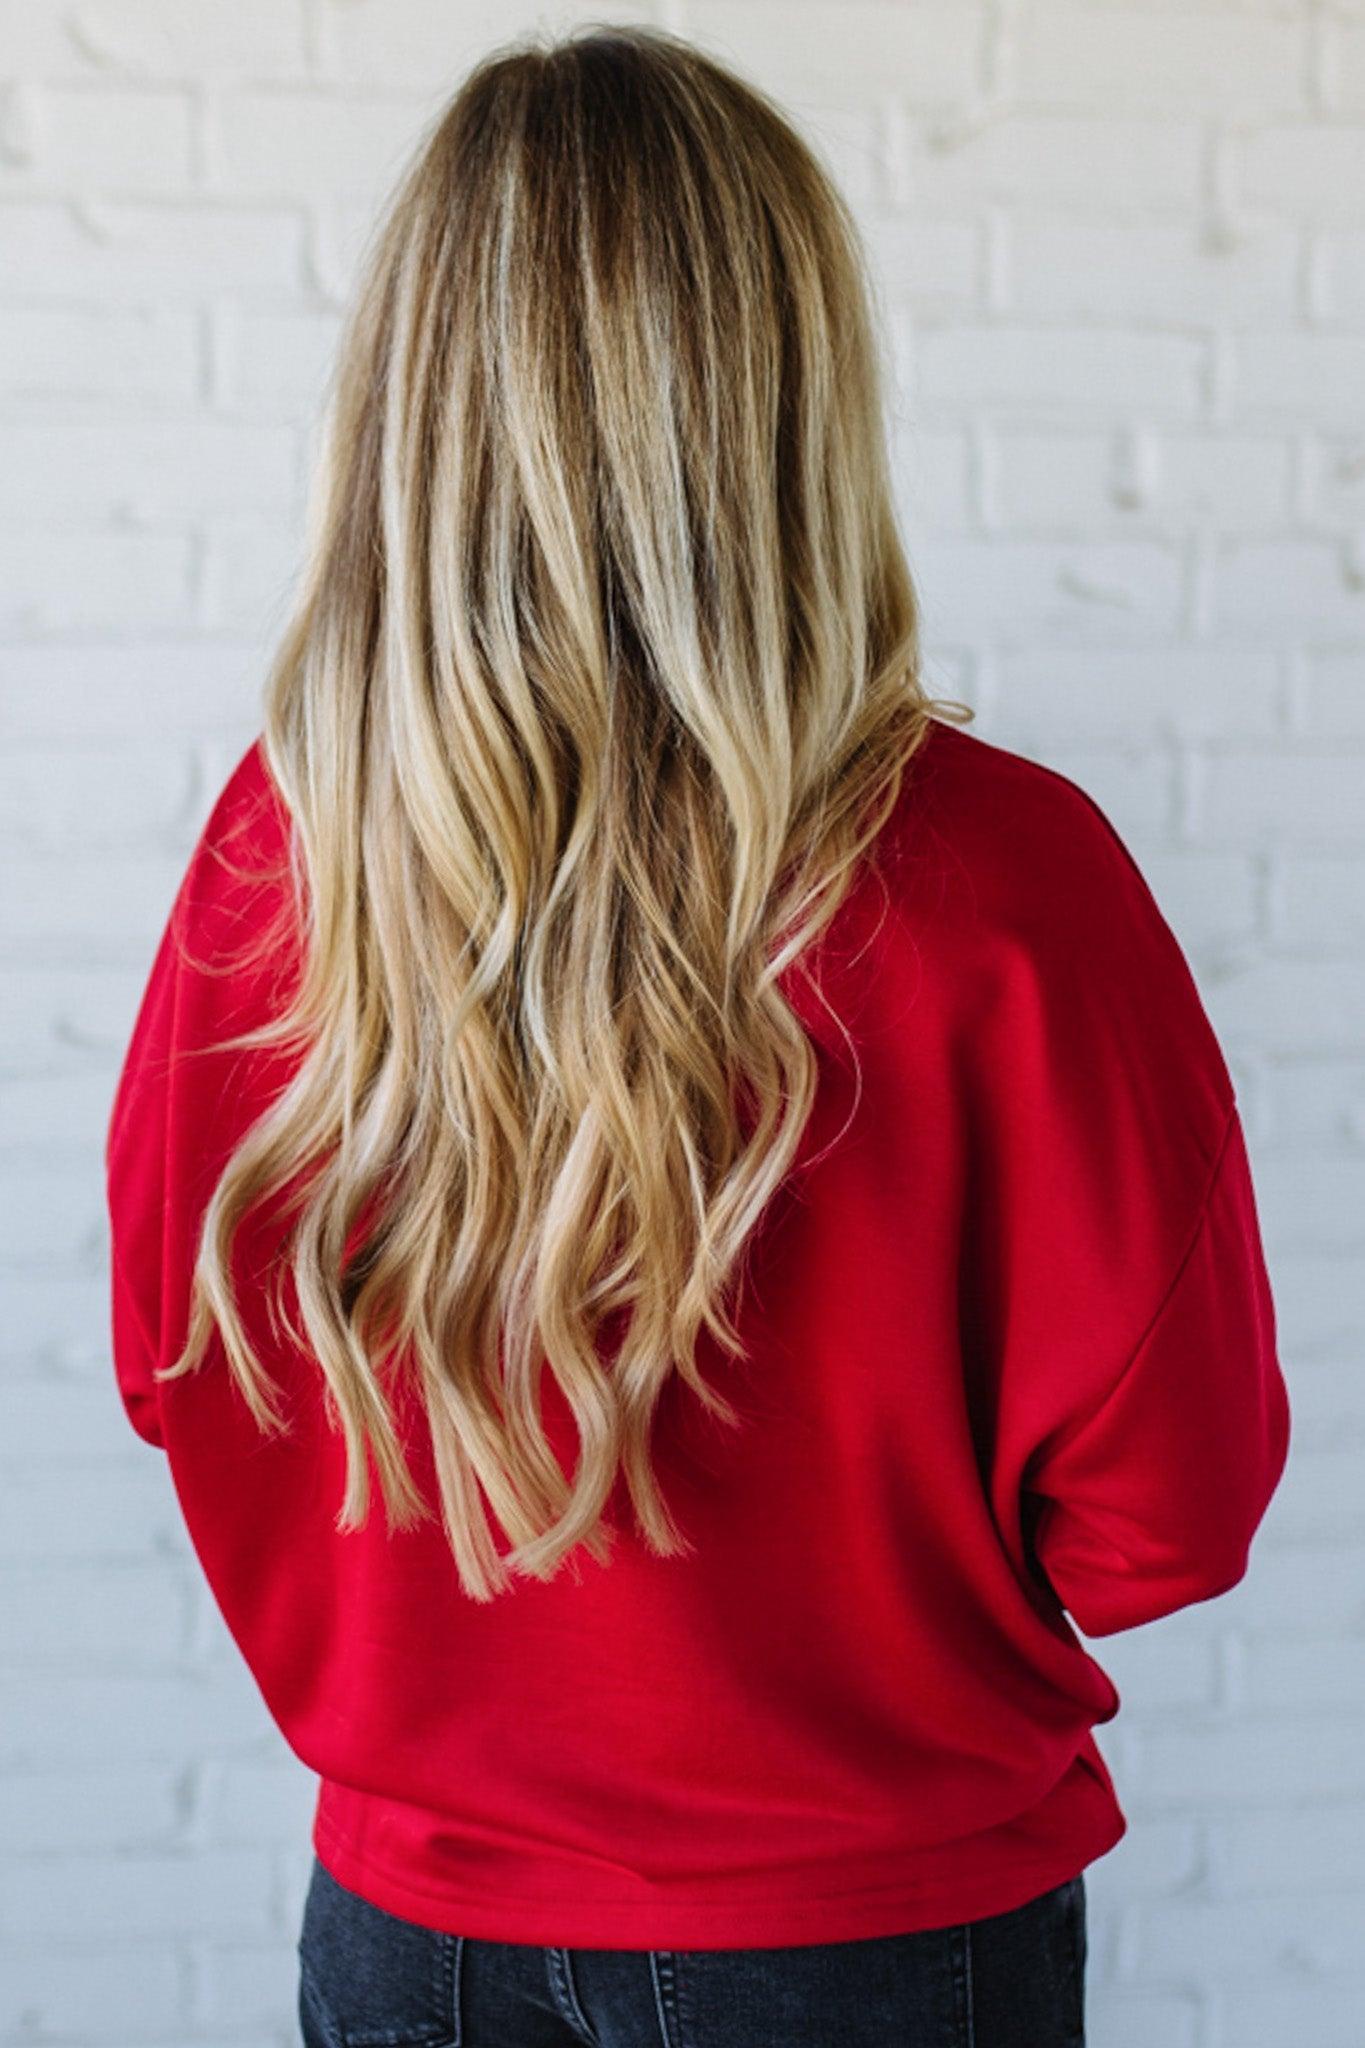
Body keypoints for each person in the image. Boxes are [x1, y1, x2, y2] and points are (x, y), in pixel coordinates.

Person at [103, 23, 1291, 2048]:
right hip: (880, 1943)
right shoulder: (1007, 884)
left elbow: (178, 1367)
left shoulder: (275, 858)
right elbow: (1162, 1515)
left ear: (412, 405)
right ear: (788, 393)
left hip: (408, 1941)